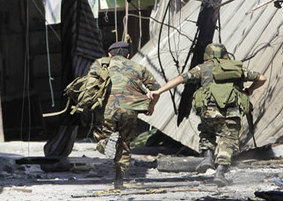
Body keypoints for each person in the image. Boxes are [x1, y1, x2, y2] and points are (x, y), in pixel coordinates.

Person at [147, 43, 266, 187]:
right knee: (227, 140)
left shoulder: (202, 68)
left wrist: (159, 91)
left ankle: (208, 158)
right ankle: (220, 172)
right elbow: (262, 78)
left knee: (207, 131)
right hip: (231, 112)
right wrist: (250, 90)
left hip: (209, 111)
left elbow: (180, 78)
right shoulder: (236, 68)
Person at [91, 41, 161, 189]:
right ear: (128, 55)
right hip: (130, 110)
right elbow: (156, 89)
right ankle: (119, 178)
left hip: (107, 109)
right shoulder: (138, 67)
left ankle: (105, 142)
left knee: (103, 134)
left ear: (109, 55)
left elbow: (90, 85)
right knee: (125, 143)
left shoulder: (100, 64)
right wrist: (151, 106)